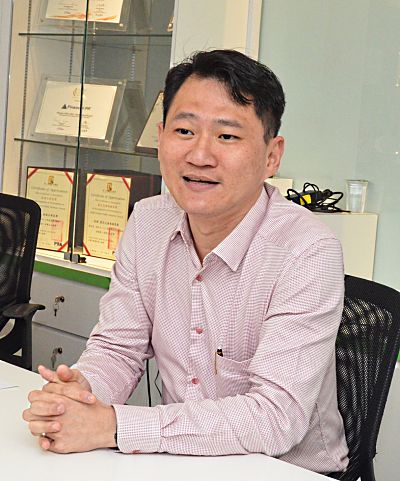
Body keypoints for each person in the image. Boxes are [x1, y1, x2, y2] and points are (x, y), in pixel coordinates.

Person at [23, 49, 348, 474]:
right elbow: (118, 348)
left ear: (272, 156)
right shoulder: (148, 221)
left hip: (283, 470)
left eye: (227, 136)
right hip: (179, 460)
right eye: (184, 131)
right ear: (161, 138)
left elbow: (274, 417)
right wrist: (82, 394)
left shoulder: (307, 251)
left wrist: (115, 426)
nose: (199, 155)